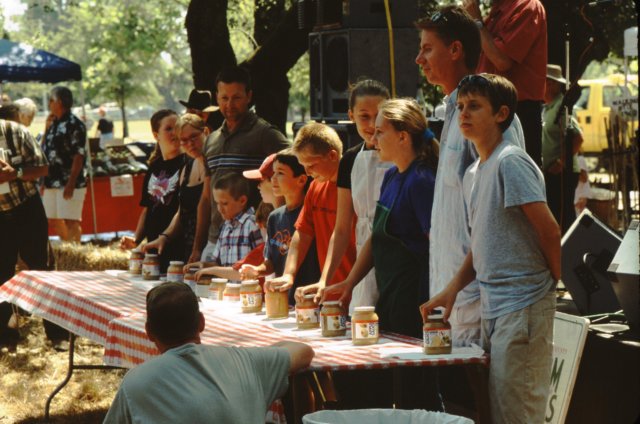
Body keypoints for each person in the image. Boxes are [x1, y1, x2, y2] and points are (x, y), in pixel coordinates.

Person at [421, 74, 559, 424]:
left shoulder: (510, 161)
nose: (464, 113)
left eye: (475, 106)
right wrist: (451, 290)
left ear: (501, 114)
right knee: (498, 413)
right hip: (493, 307)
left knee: (518, 415)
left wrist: (549, 285)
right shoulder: (474, 172)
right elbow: (481, 242)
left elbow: (550, 229)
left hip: (522, 305)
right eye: (462, 106)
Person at [415, 5, 525, 347]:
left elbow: (500, 214)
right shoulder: (451, 113)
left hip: (479, 300)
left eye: (427, 48)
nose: (419, 59)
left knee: (485, 398)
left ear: (455, 50)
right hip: (451, 295)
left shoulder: (487, 114)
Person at [103, 282, 314, 423]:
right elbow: (302, 350)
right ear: (202, 323)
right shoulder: (247, 362)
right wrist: (255, 355)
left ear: (148, 332)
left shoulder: (136, 382)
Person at [320, 99, 437, 338]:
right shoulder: (392, 176)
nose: (373, 141)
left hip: (414, 302)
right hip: (389, 296)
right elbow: (377, 237)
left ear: (403, 137)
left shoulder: (422, 181)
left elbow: (435, 247)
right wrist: (350, 283)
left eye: (380, 133)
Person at [192, 66, 289, 264]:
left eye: (236, 98)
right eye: (224, 98)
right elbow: (205, 197)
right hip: (215, 240)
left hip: (251, 240)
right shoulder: (211, 141)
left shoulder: (264, 133)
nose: (230, 104)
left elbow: (295, 161)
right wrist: (197, 247)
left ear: (248, 96)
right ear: (217, 98)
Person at [315, 80, 390, 315]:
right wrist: (324, 279)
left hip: (397, 257)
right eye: (364, 116)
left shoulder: (402, 154)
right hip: (362, 259)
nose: (371, 125)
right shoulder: (349, 160)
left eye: (378, 116)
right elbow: (342, 227)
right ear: (351, 115)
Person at [266, 123, 355, 303]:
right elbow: (303, 232)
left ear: (332, 155)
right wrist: (289, 274)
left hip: (356, 286)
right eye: (303, 165)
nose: (307, 172)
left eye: (311, 165)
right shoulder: (316, 186)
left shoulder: (356, 183)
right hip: (328, 289)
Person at [1, 118, 68, 351]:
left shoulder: (15, 131)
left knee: (42, 270)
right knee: (2, 275)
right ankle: (6, 337)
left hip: (26, 207)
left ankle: (58, 334)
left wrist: (15, 172)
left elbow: (43, 168)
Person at [463, 0, 547, 166]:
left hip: (518, 111)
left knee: (515, 175)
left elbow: (502, 61)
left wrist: (477, 22)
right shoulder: (495, 12)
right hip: (491, 107)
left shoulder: (527, 6)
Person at [240, 149, 321, 305]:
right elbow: (270, 262)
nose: (273, 179)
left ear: (302, 180)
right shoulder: (275, 217)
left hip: (311, 299)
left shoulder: (312, 214)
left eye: (280, 173)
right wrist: (257, 271)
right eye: (273, 173)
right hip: (285, 299)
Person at [120, 110, 184, 272]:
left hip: (178, 244)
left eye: (177, 127)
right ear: (156, 135)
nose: (174, 132)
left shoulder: (187, 163)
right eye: (168, 129)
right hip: (153, 247)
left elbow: (184, 208)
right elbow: (147, 208)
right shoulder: (154, 166)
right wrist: (136, 239)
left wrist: (166, 236)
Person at [142, 114, 207, 261]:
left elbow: (206, 207)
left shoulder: (213, 164)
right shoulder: (187, 168)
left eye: (194, 137)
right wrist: (164, 237)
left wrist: (198, 248)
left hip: (208, 245)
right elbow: (182, 210)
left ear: (206, 133)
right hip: (187, 247)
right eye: (183, 140)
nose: (190, 143)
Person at [41, 86, 88, 243]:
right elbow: (45, 150)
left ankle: (74, 254)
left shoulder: (75, 124)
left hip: (69, 181)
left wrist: (71, 183)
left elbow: (79, 156)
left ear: (59, 102)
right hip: (51, 180)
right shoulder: (53, 123)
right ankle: (68, 248)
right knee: (52, 219)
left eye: (51, 100)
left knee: (71, 220)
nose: (49, 104)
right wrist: (43, 180)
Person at [542, 64, 583, 233]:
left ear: (550, 84)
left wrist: (561, 162)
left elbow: (578, 138)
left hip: (562, 173)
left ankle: (570, 249)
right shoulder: (547, 108)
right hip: (552, 172)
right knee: (555, 212)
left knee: (563, 214)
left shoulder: (561, 106)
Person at [209, 172, 263, 267]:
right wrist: (201, 266)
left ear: (242, 200)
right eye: (217, 203)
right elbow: (216, 262)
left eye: (225, 203)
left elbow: (261, 259)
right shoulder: (225, 226)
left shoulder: (252, 224)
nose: (219, 209)